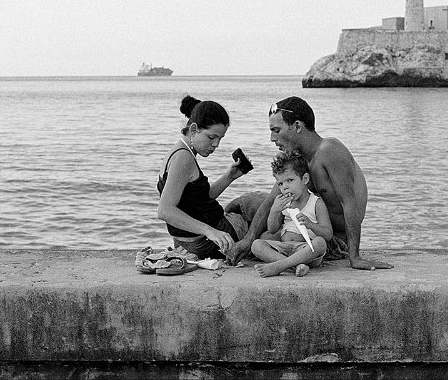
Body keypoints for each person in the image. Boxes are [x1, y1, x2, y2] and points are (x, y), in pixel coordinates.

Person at [228, 96, 393, 270]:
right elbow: (269, 203)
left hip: (330, 239)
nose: (271, 138)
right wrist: (247, 241)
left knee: (254, 209)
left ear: (298, 126)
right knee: (252, 212)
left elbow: (349, 204)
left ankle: (284, 263)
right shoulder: (297, 160)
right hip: (298, 230)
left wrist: (355, 257)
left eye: (276, 130)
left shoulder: (329, 151)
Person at [156, 95, 253, 260]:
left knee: (246, 204)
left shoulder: (179, 150)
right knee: (257, 204)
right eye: (211, 137)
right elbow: (165, 211)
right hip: (205, 242)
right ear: (194, 130)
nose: (216, 144)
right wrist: (210, 231)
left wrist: (230, 176)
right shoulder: (183, 158)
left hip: (189, 241)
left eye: (220, 139)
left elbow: (197, 202)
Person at [251, 151, 332, 277]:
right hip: (283, 249)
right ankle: (294, 266)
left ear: (305, 179)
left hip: (306, 250)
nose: (285, 187)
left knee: (320, 243)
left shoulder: (316, 203)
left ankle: (280, 265)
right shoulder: (283, 202)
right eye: (281, 183)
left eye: (290, 180)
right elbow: (272, 230)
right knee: (257, 244)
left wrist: (310, 224)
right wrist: (274, 210)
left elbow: (328, 234)